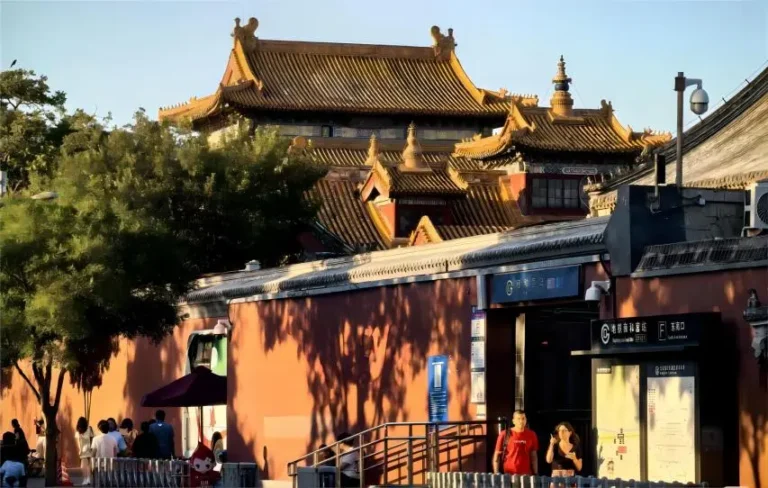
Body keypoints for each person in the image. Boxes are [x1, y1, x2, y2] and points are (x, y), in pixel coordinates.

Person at [493, 410, 539, 476]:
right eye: (518, 419)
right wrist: (496, 473)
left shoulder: (532, 434)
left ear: (526, 420)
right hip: (509, 475)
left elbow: (534, 456)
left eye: (523, 418)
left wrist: (535, 473)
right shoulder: (504, 434)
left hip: (526, 475)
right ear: (513, 421)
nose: (521, 421)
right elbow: (497, 456)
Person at [76, 417, 94, 486]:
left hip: (83, 449)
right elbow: (92, 438)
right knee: (88, 465)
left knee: (83, 466)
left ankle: (85, 479)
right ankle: (88, 479)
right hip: (89, 448)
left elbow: (78, 442)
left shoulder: (78, 430)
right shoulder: (89, 428)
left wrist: (79, 450)